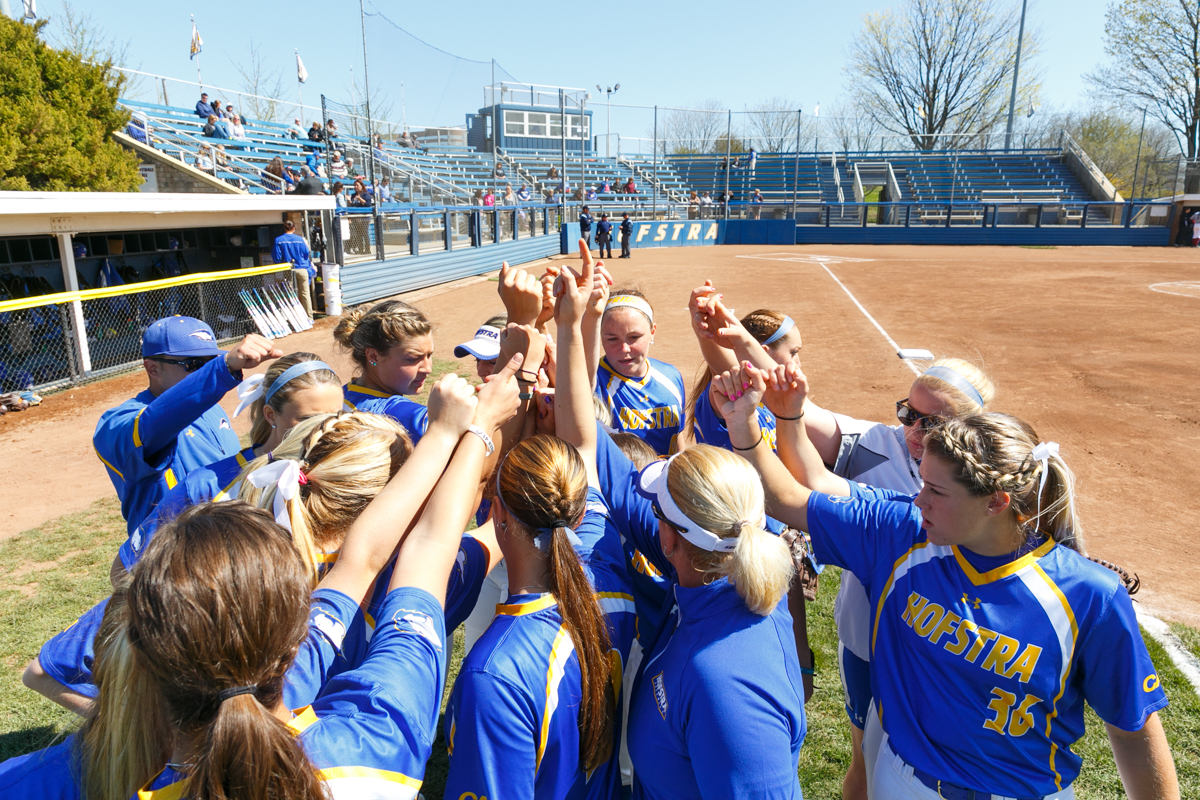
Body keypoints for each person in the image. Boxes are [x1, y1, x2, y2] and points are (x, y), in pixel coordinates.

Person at [0, 362, 523, 800]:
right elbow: (387, 557)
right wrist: (460, 432)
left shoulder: (52, 778)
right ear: (292, 639)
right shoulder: (368, 751)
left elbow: (358, 560)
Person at [717, 364, 1179, 800]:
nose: (918, 499)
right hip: (902, 781)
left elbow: (1133, 729)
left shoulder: (1088, 595)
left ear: (996, 502)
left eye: (936, 491)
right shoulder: (899, 531)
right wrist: (743, 425)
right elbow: (785, 498)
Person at [552, 257, 806, 798]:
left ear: (667, 538)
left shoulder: (729, 685)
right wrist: (573, 327)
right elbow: (586, 444)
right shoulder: (724, 568)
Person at [92, 318, 280, 536]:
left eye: (212, 361)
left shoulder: (212, 408)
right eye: (195, 365)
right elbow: (153, 425)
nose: (206, 370)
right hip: (171, 554)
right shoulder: (117, 423)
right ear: (153, 368)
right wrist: (222, 368)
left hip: (227, 544)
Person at [595, 290, 686, 456]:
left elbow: (677, 435)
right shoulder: (593, 380)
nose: (624, 349)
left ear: (652, 332)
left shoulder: (671, 376)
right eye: (612, 339)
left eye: (634, 337)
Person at [334, 300, 435, 442]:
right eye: (412, 359)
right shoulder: (389, 414)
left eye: (429, 355)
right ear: (373, 356)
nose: (428, 368)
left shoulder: (341, 394)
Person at [273, 221, 316, 320]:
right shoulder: (300, 239)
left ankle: (293, 318)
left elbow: (276, 257)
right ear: (293, 228)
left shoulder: (278, 240)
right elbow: (306, 254)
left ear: (284, 228)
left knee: (290, 294)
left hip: (288, 270)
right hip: (302, 269)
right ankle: (309, 318)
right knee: (305, 294)